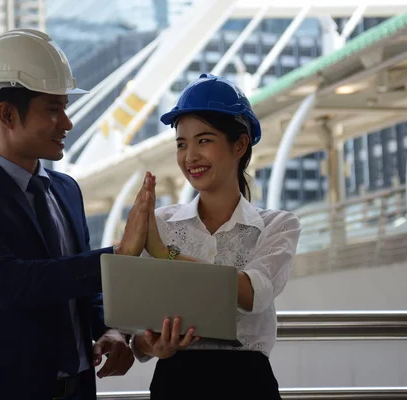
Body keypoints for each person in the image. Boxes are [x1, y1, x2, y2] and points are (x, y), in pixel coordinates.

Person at [0, 29, 153, 400]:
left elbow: (79, 284)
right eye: (53, 109)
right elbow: (7, 283)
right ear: (7, 114)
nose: (67, 122)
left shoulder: (66, 190)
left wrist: (111, 329)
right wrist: (118, 257)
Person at [129, 74, 302, 399]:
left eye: (204, 140)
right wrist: (151, 343)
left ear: (239, 144)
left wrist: (164, 253)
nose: (189, 156)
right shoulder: (162, 223)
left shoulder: (277, 226)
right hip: (174, 383)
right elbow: (132, 324)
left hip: (247, 386)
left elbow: (254, 293)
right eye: (181, 144)